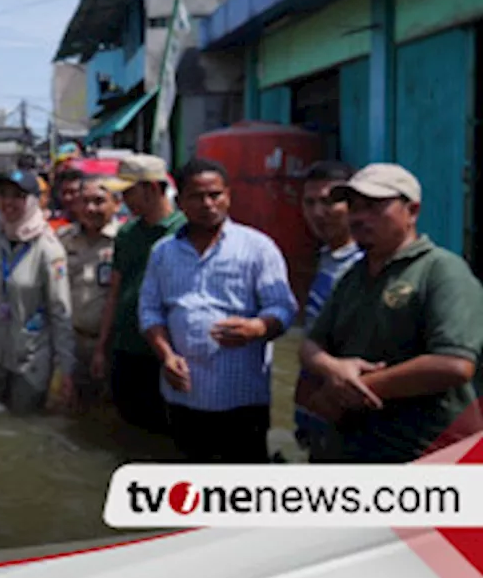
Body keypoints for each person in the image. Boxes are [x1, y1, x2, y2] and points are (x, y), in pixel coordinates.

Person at [300, 164, 483, 463]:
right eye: (354, 207)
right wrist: (332, 367)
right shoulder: (354, 276)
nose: (358, 217)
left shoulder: (441, 271)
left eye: (373, 207)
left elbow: (454, 363)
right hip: (349, 449)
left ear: (412, 211)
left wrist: (354, 390)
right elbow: (311, 343)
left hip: (423, 453)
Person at [138, 159, 298, 463]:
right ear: (180, 201)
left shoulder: (257, 247)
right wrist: (166, 355)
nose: (207, 204)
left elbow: (284, 307)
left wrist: (258, 328)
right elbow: (150, 310)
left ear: (229, 196)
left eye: (215, 195)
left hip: (242, 397)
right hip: (183, 393)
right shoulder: (163, 252)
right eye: (196, 196)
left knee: (243, 488)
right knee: (191, 484)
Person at [0, 170, 75, 414]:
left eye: (17, 196)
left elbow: (60, 311)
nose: (9, 203)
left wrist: (65, 369)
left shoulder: (49, 249)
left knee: (23, 422)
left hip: (30, 356)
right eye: (3, 195)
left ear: (32, 201)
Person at [96, 154, 187, 434]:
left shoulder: (183, 231)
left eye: (129, 192)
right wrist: (102, 347)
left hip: (164, 350)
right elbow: (115, 291)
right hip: (126, 345)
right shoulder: (127, 234)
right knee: (126, 424)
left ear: (152, 189)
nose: (123, 200)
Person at [293, 161, 364, 462]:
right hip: (317, 404)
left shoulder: (364, 265)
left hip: (347, 406)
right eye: (310, 202)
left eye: (329, 201)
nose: (318, 212)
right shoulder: (326, 257)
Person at [57, 177, 122, 408]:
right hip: (72, 343)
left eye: (99, 201)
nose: (90, 208)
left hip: (110, 345)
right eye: (84, 201)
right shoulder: (63, 240)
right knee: (72, 410)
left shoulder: (124, 241)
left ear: (116, 203)